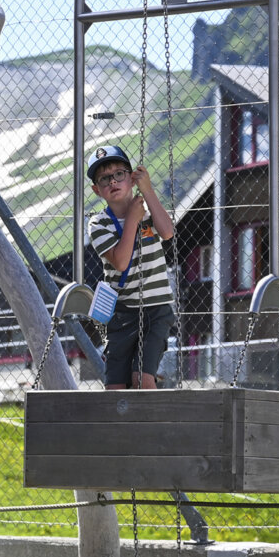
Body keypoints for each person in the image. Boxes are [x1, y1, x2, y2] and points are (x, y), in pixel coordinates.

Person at [87, 144, 175, 390]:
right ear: (97, 190)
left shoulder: (147, 212)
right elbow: (121, 261)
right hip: (123, 312)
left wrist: (147, 190)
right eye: (104, 179)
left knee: (142, 380)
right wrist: (132, 222)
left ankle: (154, 427)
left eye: (119, 174)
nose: (113, 181)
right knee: (115, 386)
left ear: (131, 177)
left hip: (156, 309)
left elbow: (167, 232)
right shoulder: (98, 223)